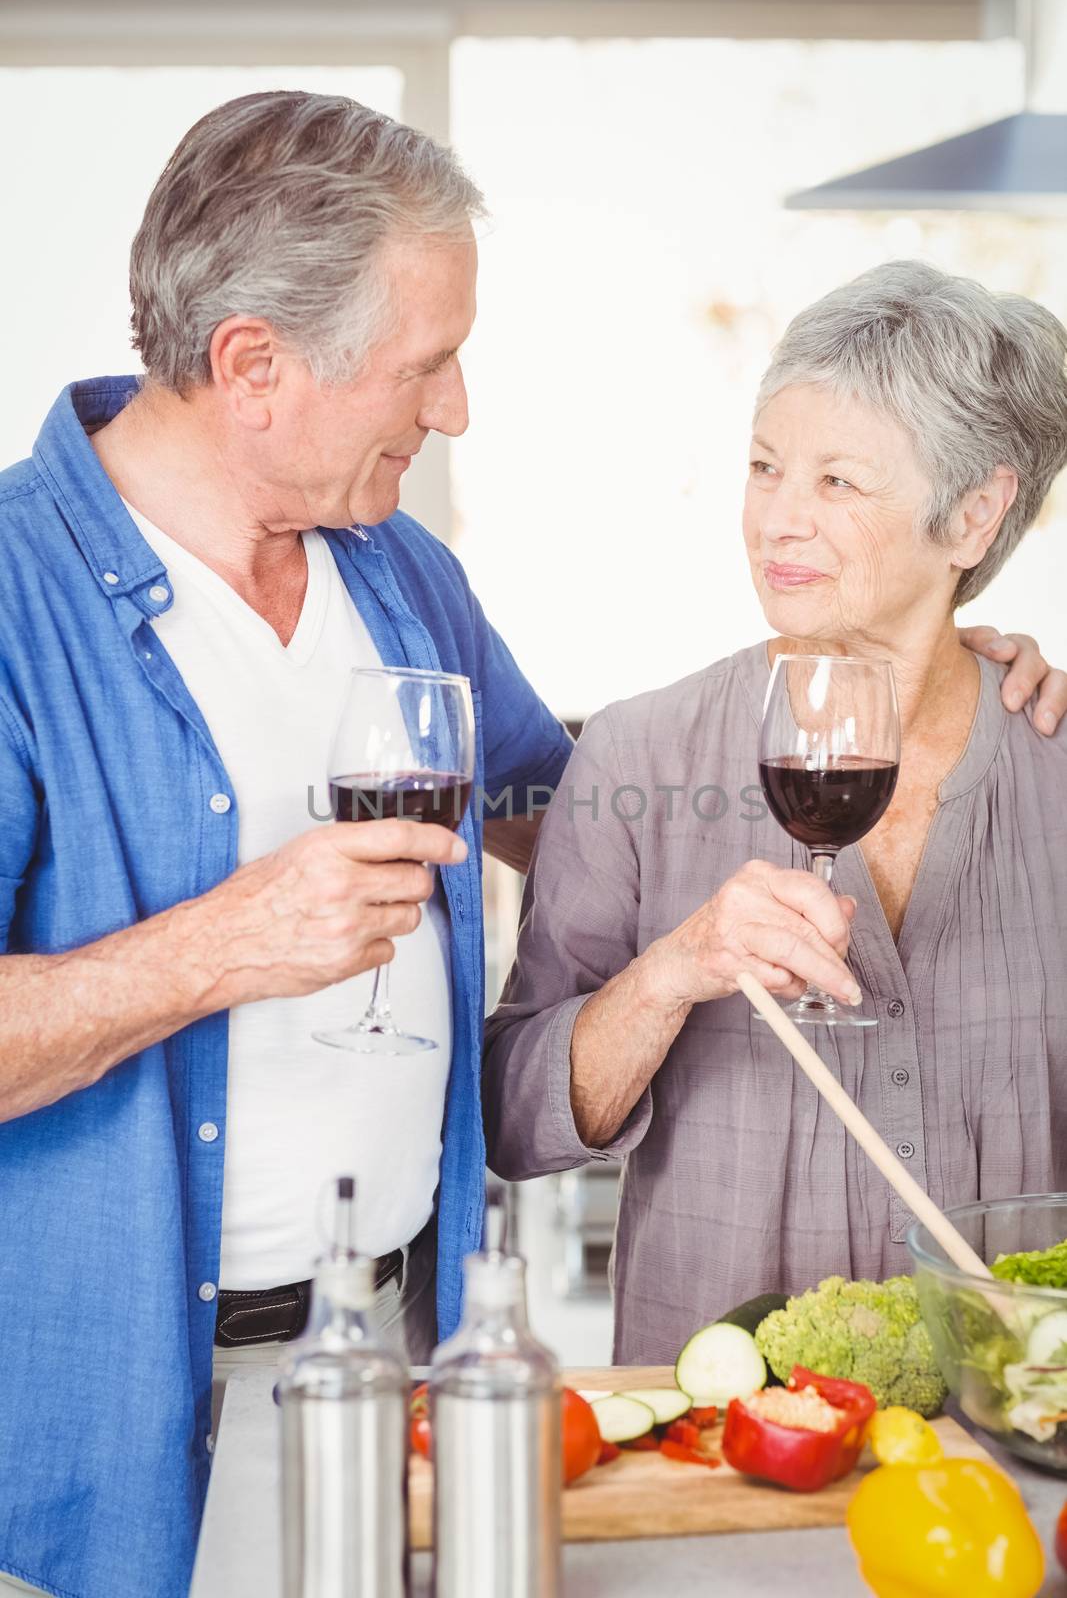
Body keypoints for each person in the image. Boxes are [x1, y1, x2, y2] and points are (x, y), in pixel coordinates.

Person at [0, 99, 1059, 1598]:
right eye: (425, 364)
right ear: (253, 365)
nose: (454, 412)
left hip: (404, 1367)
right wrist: (223, 945)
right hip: (113, 1404)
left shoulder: (399, 576)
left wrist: (958, 676)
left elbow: (572, 812)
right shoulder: (10, 605)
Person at [483, 260, 1067, 1370]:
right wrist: (668, 975)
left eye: (837, 482)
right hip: (721, 1443)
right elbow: (508, 1121)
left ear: (974, 514)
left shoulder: (1053, 756)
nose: (776, 520)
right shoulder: (638, 753)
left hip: (1018, 1433)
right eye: (763, 467)